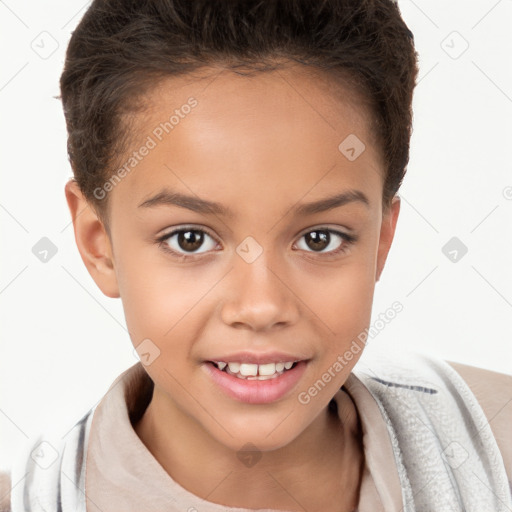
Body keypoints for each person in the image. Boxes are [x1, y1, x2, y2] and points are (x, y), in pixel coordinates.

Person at [2, 0, 511, 511]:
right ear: (99, 244)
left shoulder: (497, 451)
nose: (261, 306)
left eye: (320, 238)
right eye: (190, 239)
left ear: (380, 240)